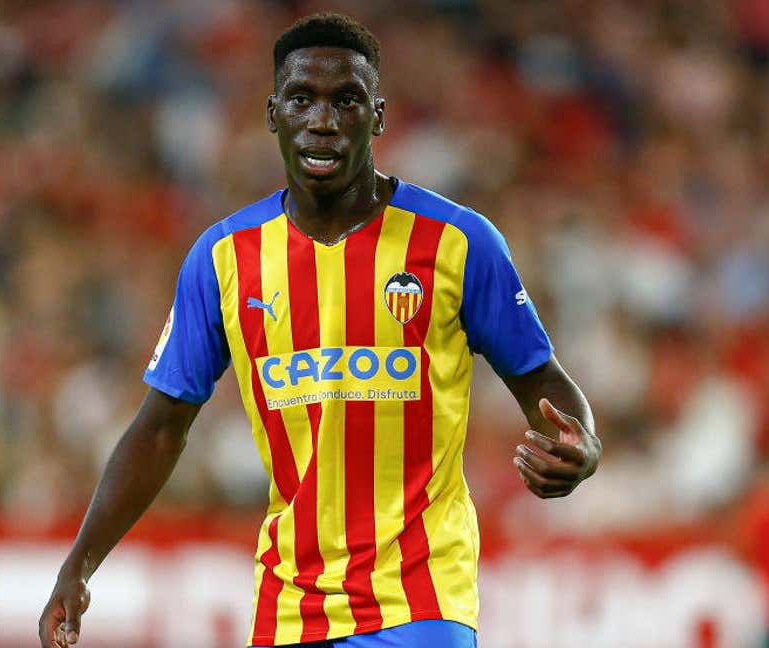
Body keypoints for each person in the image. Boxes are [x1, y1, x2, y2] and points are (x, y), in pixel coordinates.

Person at [39, 12, 601, 648]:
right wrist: (78, 566)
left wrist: (583, 449)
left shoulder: (457, 242)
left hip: (419, 600)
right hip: (289, 607)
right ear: (273, 113)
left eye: (347, 101)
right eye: (303, 99)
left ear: (379, 117)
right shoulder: (224, 257)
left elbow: (545, 382)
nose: (323, 121)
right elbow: (162, 425)